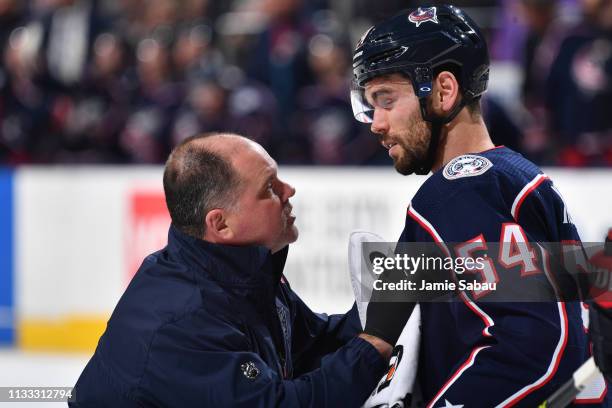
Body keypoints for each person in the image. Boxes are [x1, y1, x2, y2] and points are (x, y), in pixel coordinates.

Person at [351, 5, 608, 407]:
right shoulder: (508, 175)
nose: (376, 123)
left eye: (386, 100)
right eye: (370, 103)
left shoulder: (460, 190)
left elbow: (531, 346)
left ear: (443, 90)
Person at [70, 132, 413, 407]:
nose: (289, 191)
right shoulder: (180, 323)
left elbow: (312, 346)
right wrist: (372, 345)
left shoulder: (242, 275)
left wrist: (390, 300)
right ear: (221, 225)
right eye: (269, 188)